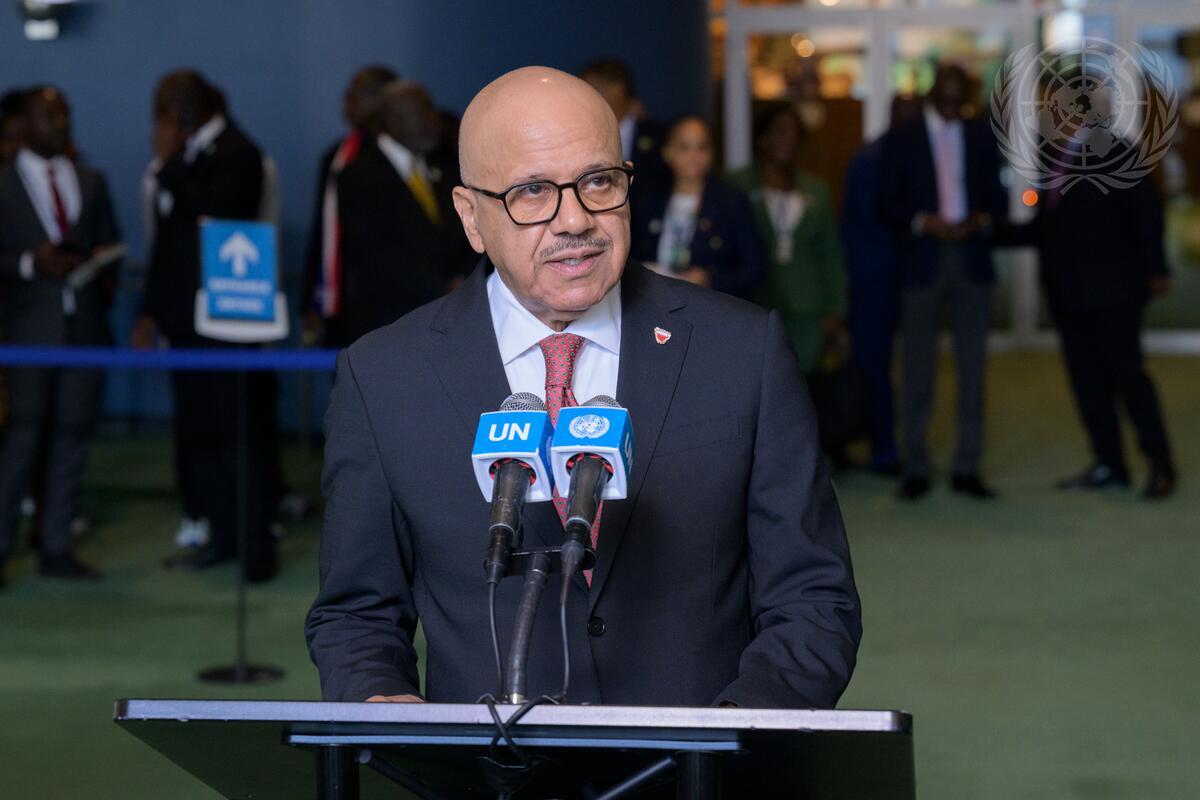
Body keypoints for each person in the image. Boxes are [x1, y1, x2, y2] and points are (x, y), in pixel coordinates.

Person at [306, 66, 860, 708]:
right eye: (533, 192)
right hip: (488, 773)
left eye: (598, 181)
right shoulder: (382, 376)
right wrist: (382, 702)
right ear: (471, 217)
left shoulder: (743, 352)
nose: (575, 219)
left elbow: (814, 599)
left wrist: (728, 738)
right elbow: (355, 615)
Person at [133, 70, 276, 582]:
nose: (160, 122)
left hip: (227, 322)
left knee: (236, 434)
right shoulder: (190, 158)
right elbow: (169, 242)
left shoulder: (239, 152)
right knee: (200, 435)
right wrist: (149, 311)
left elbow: (220, 215)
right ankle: (222, 534)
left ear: (188, 111)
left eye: (165, 110)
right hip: (186, 322)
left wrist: (170, 162)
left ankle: (255, 547)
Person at [1002, 150, 1177, 499]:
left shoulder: (1115, 150)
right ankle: (1109, 463)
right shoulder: (1053, 159)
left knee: (1129, 379)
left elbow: (1147, 212)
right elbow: (1046, 228)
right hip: (1069, 295)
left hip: (1115, 294)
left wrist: (1157, 269)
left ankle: (1161, 465)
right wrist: (989, 231)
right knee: (1087, 384)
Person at [0, 86, 121, 586]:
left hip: (85, 326)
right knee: (21, 441)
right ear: (25, 124)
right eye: (50, 115)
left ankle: (55, 545)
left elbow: (111, 242)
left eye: (66, 113)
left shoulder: (90, 179)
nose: (62, 122)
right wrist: (32, 263)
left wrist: (90, 265)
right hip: (28, 329)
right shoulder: (2, 183)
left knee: (73, 438)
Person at [878, 65, 1007, 501]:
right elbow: (886, 204)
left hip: (971, 261)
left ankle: (967, 467)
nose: (954, 108)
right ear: (933, 94)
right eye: (947, 100)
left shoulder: (980, 134)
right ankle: (916, 466)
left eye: (961, 101)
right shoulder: (903, 137)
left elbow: (998, 197)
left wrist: (981, 218)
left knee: (973, 367)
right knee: (917, 367)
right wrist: (922, 221)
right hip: (922, 260)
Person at [335, 80, 474, 344]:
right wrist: (441, 288)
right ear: (395, 119)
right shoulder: (359, 174)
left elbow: (468, 226)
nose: (433, 119)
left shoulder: (443, 165)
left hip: (450, 319)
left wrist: (462, 281)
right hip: (390, 322)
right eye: (423, 111)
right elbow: (374, 253)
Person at [727, 103, 846, 377]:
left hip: (808, 309)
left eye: (794, 133)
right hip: (756, 305)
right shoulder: (737, 186)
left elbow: (830, 254)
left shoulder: (815, 189)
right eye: (780, 131)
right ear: (762, 137)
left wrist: (836, 309)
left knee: (807, 389)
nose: (788, 139)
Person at [840, 97, 922, 476]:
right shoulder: (872, 159)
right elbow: (860, 231)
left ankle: (890, 447)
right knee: (874, 368)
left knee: (902, 366)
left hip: (903, 279)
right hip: (875, 283)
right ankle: (883, 448)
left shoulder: (902, 155)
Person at [302, 65, 397, 349]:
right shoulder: (336, 154)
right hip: (339, 298)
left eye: (359, 93)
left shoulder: (396, 156)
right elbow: (322, 230)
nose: (348, 99)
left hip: (384, 301)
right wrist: (312, 298)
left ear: (384, 100)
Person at [630, 114, 766, 299]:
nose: (694, 156)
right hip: (656, 301)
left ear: (712, 153)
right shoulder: (647, 199)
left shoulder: (731, 202)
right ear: (667, 151)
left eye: (702, 147)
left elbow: (755, 269)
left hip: (711, 306)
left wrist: (710, 280)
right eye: (684, 147)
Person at [580, 58, 667, 191]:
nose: (585, 99)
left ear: (617, 89)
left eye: (594, 89)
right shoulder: (579, 136)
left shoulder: (657, 135)